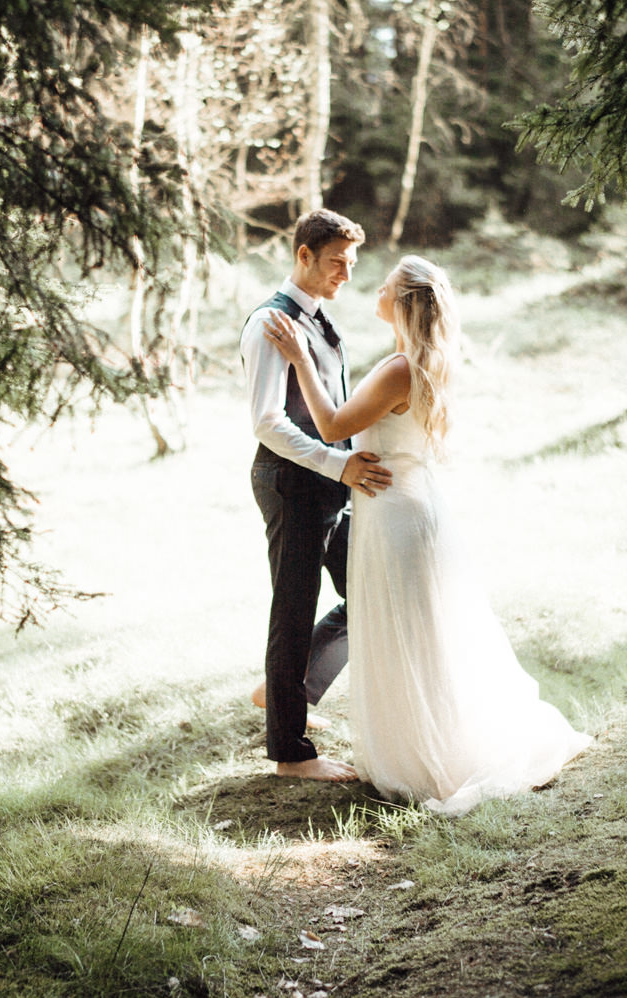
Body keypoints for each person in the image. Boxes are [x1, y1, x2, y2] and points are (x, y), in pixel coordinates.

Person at [263, 255, 592, 814]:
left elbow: (334, 427)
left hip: (394, 511)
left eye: (388, 285)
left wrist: (299, 361)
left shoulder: (398, 368)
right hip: (407, 503)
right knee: (420, 631)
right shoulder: (424, 363)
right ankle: (430, 740)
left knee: (410, 634)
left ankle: (431, 754)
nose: (378, 289)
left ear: (405, 303)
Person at [241, 209, 393, 783]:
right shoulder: (269, 324)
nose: (346, 275)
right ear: (303, 255)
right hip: (291, 485)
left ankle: (287, 687)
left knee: (372, 589)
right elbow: (268, 422)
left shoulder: (321, 320)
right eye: (336, 263)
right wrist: (339, 464)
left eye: (352, 264)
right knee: (293, 611)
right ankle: (290, 754)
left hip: (331, 482)